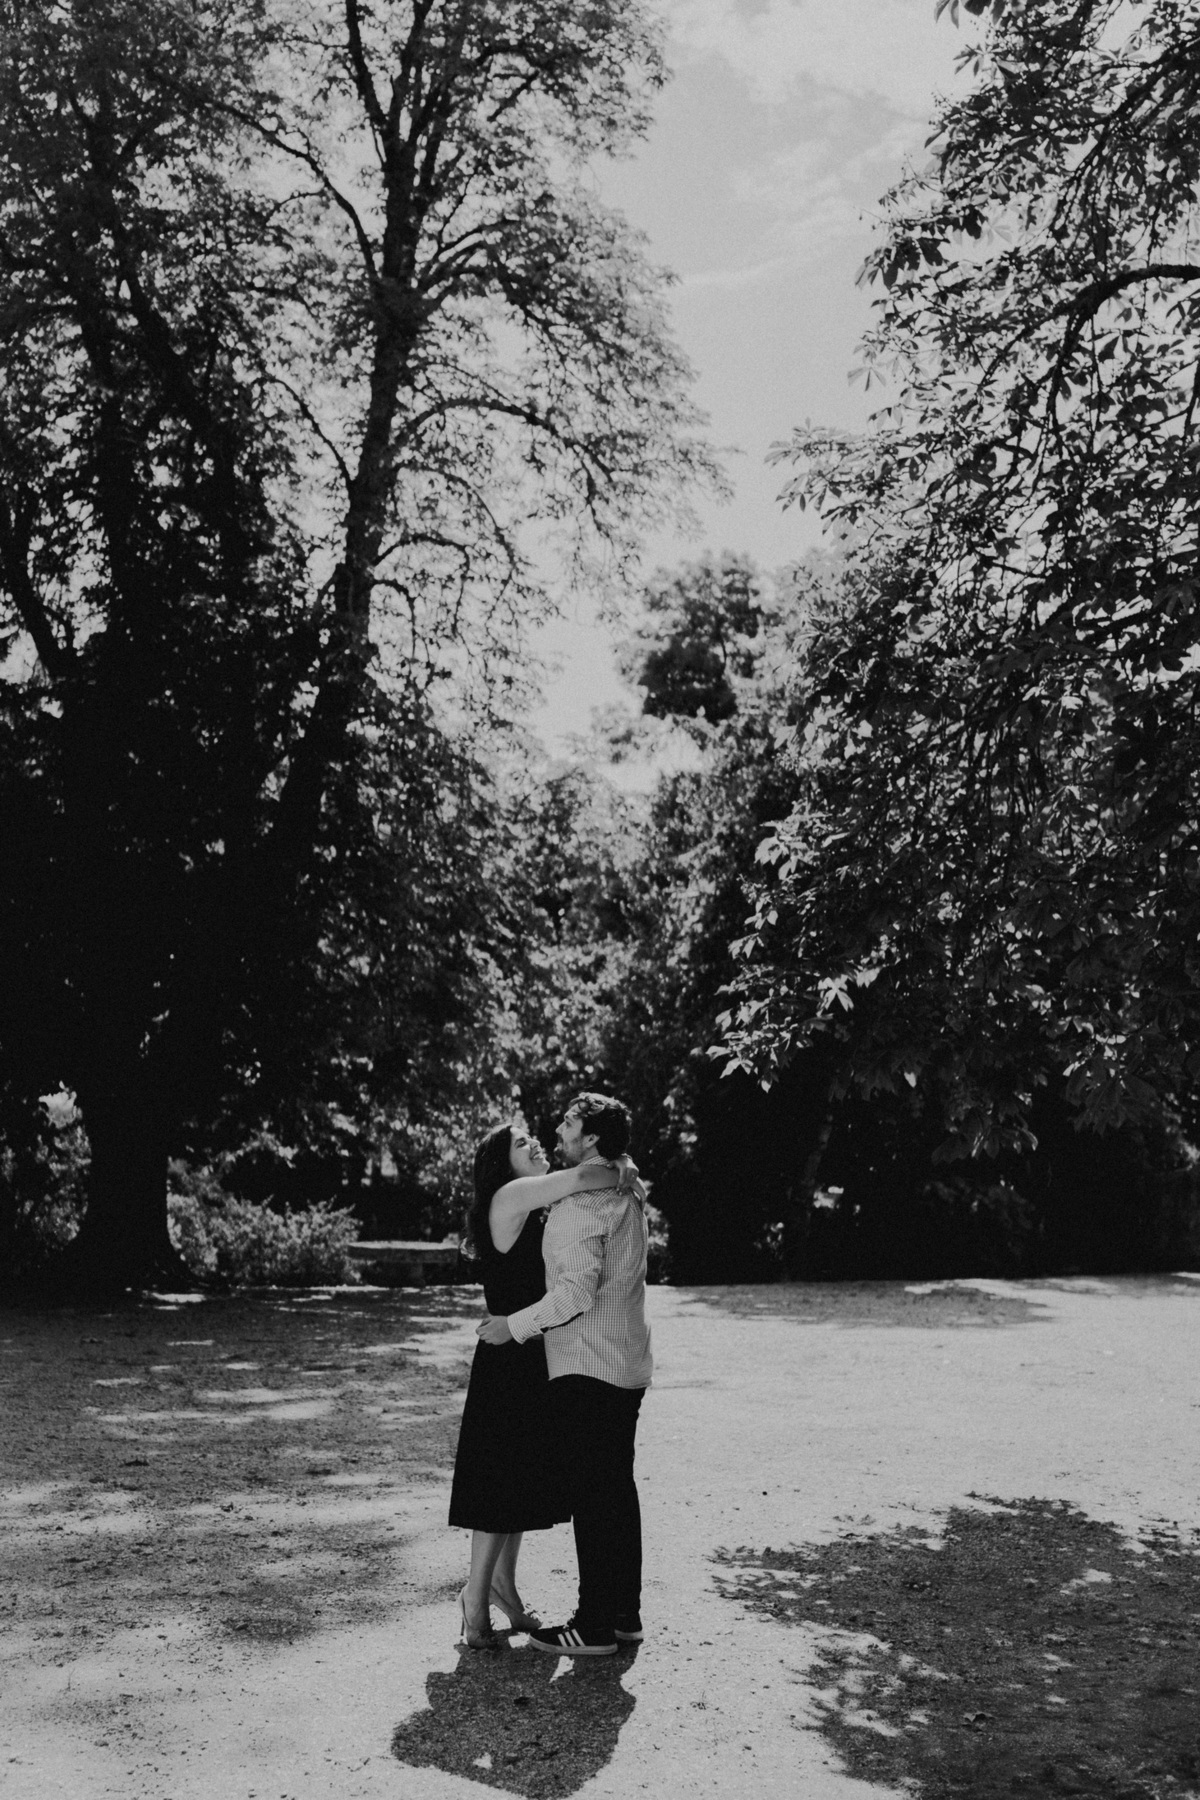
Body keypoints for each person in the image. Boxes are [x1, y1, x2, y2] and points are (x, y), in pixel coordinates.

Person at [477, 1092, 652, 1657]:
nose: (557, 1130)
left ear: (591, 1139)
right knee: (617, 1491)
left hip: (587, 1363)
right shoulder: (623, 1190)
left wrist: (513, 1326)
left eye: (570, 1123)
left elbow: (574, 1294)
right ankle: (623, 1615)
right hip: (626, 1360)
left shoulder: (582, 1203)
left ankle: (593, 1625)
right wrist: (623, 1165)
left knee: (595, 1499)